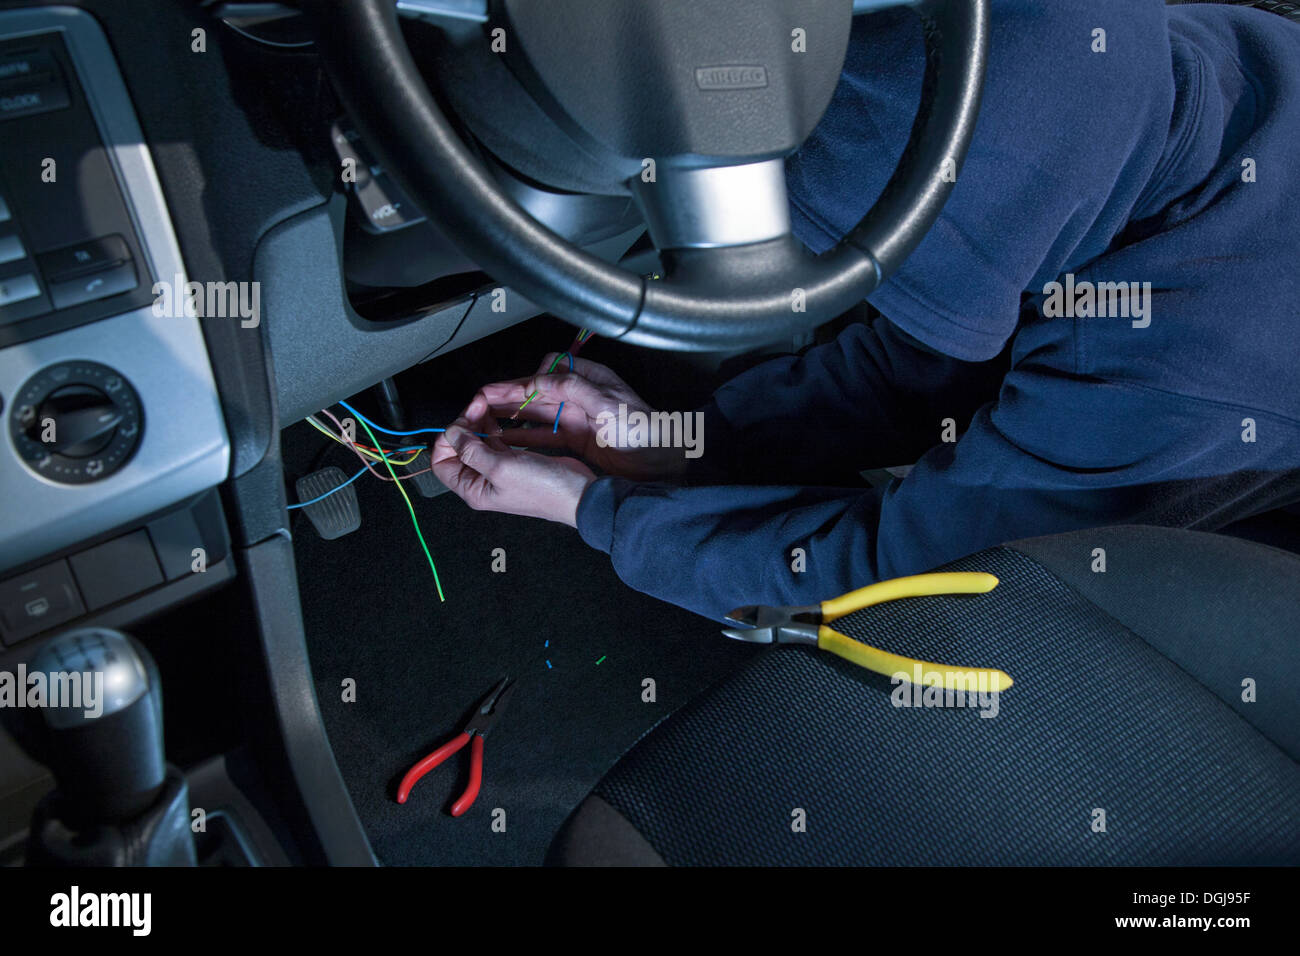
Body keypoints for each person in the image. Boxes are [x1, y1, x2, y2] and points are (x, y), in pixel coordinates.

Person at [431, 0, 1300, 620]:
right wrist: (668, 442)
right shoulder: (1143, 69)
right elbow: (936, 354)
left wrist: (594, 511)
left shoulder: (1167, 387)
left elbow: (911, 578)